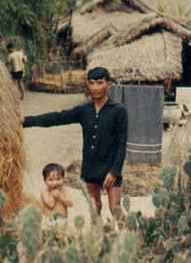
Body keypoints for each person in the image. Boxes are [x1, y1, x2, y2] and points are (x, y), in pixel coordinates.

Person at [21, 67, 128, 223]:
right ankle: (98, 242)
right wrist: (27, 121)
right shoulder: (84, 110)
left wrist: (114, 171)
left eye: (100, 83)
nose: (96, 87)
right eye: (92, 83)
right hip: (90, 168)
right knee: (95, 208)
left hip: (110, 169)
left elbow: (121, 143)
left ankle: (130, 243)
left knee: (115, 209)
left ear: (109, 85)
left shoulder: (119, 111)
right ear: (88, 86)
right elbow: (58, 117)